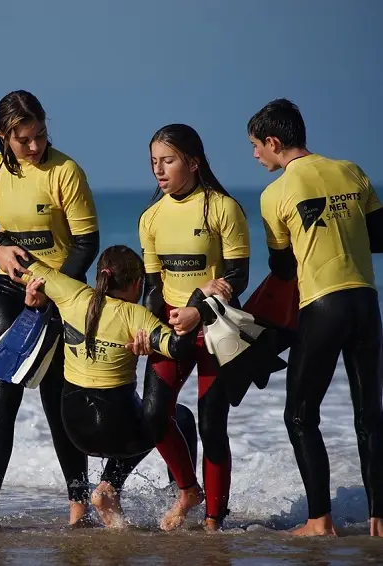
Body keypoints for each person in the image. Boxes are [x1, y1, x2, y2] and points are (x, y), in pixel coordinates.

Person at [0, 90, 101, 531]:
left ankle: (78, 506)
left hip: (59, 297)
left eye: (40, 135)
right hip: (9, 292)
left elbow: (86, 243)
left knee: (57, 403)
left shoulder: (65, 171)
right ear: (2, 135)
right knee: (1, 400)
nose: (35, 146)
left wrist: (52, 288)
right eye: (24, 139)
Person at [247, 98, 383, 537]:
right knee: (371, 415)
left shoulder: (274, 194)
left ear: (273, 141)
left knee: (301, 416)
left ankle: (319, 521)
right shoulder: (352, 170)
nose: (254, 156)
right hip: (366, 302)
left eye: (256, 146)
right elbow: (379, 236)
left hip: (322, 307)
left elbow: (283, 268)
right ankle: (379, 521)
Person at [16, 243, 211, 529]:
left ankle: (108, 490)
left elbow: (24, 266)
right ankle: (184, 494)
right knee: (176, 416)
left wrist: (1, 243)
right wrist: (199, 301)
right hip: (116, 431)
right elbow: (179, 348)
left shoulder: (70, 293)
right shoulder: (137, 317)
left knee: (134, 416)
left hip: (74, 428)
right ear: (136, 284)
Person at [138, 124, 250, 531]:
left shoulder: (223, 207)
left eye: (168, 161)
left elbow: (238, 276)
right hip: (172, 326)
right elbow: (153, 288)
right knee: (153, 415)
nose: (159, 171)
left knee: (211, 424)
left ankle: (213, 522)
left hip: (217, 328)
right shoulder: (151, 217)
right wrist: (147, 331)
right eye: (154, 162)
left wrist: (198, 311)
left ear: (193, 161)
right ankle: (188, 488)